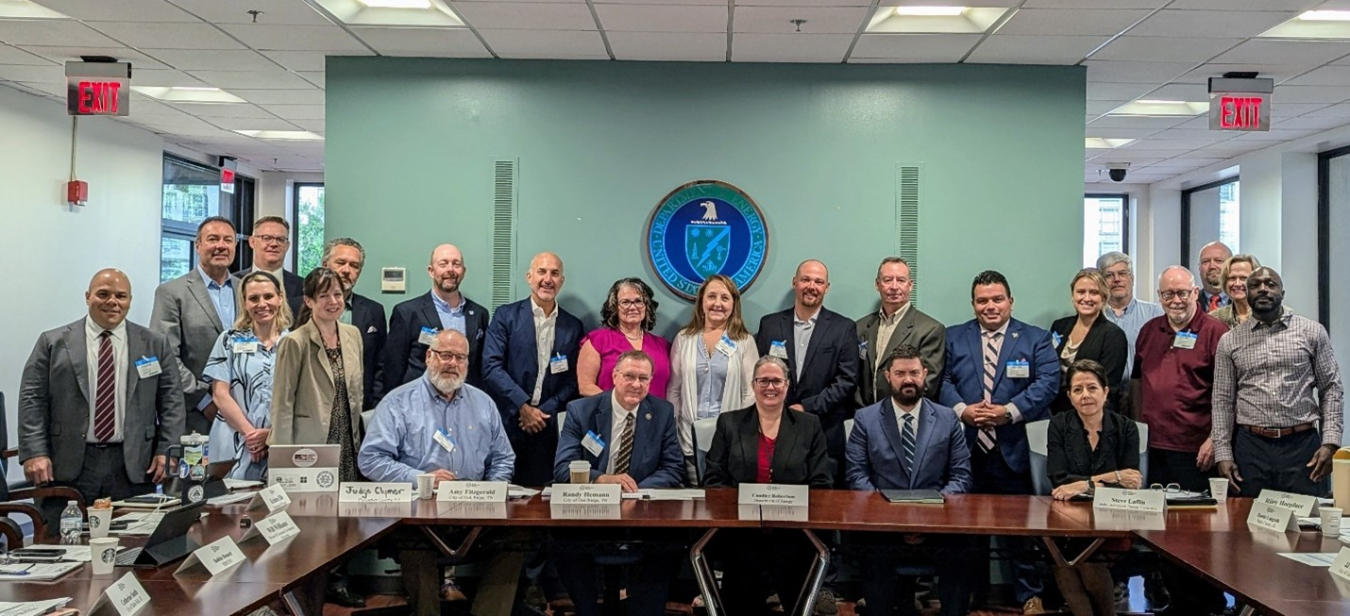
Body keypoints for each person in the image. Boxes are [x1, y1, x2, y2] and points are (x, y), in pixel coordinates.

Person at [360, 329, 520, 615]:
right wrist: (422, 480)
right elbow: (371, 458)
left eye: (460, 357)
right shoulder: (398, 402)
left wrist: (491, 491)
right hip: (420, 511)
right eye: (445, 355)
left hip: (476, 510)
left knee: (519, 541)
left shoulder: (483, 403)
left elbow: (504, 457)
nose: (452, 363)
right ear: (428, 356)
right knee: (414, 544)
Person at [19, 269, 184, 533]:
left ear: (130, 300)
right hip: (69, 463)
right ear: (88, 297)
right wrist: (35, 452)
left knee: (131, 544)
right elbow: (32, 400)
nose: (112, 302)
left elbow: (172, 401)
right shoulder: (53, 342)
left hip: (132, 464)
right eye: (103, 294)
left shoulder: (154, 344)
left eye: (121, 296)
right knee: (61, 542)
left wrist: (168, 450)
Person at [938, 270, 1058, 614]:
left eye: (996, 299)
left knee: (1022, 530)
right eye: (982, 300)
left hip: (1016, 449)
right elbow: (941, 380)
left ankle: (1029, 597)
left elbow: (1049, 382)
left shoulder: (1035, 339)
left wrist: (1009, 411)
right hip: (967, 450)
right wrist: (962, 410)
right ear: (973, 303)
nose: (990, 306)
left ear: (1010, 301)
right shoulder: (953, 337)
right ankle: (968, 595)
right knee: (964, 532)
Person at [552, 351, 684, 616]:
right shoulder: (581, 410)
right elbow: (563, 468)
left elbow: (673, 468)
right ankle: (587, 610)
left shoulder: (662, 412)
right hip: (590, 511)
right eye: (630, 376)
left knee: (673, 539)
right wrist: (603, 479)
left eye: (643, 378)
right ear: (614, 376)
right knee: (562, 538)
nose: (636, 384)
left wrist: (637, 490)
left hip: (641, 511)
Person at [844, 345, 973, 616]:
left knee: (962, 550)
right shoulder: (866, 419)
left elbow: (961, 476)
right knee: (872, 552)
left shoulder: (947, 418)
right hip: (884, 524)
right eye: (900, 373)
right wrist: (895, 518)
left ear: (925, 374)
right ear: (888, 376)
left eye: (914, 372)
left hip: (938, 524)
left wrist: (928, 518)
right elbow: (856, 476)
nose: (908, 379)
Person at [1131, 266, 1227, 616]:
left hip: (1196, 449)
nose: (1176, 300)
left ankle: (1206, 604)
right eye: (1168, 294)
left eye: (1182, 293)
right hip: (1155, 447)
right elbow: (1137, 383)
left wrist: (1215, 437)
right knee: (1164, 532)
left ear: (1195, 293)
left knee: (1198, 534)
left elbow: (1226, 392)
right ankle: (1179, 601)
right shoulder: (1148, 331)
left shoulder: (1215, 331)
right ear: (1159, 297)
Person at [704, 356, 832, 616]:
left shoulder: (809, 426)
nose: (770, 387)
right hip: (742, 530)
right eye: (763, 380)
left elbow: (821, 483)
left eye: (776, 381)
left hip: (794, 531)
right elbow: (714, 480)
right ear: (753, 385)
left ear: (787, 385)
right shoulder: (729, 423)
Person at [1213, 267, 1344, 497]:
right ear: (1246, 293)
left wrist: (1330, 442)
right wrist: (1223, 453)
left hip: (1302, 447)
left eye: (1270, 284)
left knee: (1307, 526)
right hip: (1251, 448)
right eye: (1255, 285)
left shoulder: (1312, 331)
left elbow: (1331, 388)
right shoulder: (1229, 341)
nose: (1263, 289)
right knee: (1245, 525)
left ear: (1282, 292)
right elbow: (1222, 400)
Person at [1047, 360, 1142, 616]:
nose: (1085, 395)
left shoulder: (1126, 428)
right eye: (1077, 390)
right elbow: (1058, 480)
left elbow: (1132, 482)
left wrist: (1083, 484)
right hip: (1068, 517)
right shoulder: (1058, 425)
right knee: (1064, 559)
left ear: (1106, 391)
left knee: (1083, 560)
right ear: (1068, 396)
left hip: (1113, 517)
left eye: (1092, 387)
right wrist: (1112, 476)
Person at [481, 252, 584, 486]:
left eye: (554, 273)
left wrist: (543, 412)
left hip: (548, 426)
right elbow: (491, 367)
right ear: (529, 277)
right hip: (509, 421)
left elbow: (572, 381)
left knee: (543, 499)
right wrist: (523, 407)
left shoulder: (573, 325)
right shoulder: (505, 316)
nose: (548, 279)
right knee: (504, 495)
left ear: (561, 281)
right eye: (542, 272)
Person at [755, 259, 859, 484]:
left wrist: (806, 407)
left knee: (822, 505)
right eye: (805, 279)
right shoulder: (770, 325)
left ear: (826, 287)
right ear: (795, 282)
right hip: (775, 428)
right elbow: (760, 375)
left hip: (824, 431)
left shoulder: (844, 328)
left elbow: (847, 381)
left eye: (818, 281)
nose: (811, 286)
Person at [269, 267, 365, 479]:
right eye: (324, 296)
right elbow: (282, 403)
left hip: (348, 442)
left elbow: (357, 393)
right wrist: (283, 459)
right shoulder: (294, 341)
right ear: (309, 300)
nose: (333, 301)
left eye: (338, 294)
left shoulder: (353, 335)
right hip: (309, 443)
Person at [152, 215, 238, 437]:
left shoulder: (248, 291)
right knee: (198, 472)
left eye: (227, 240)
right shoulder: (172, 293)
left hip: (247, 414)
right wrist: (205, 401)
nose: (221, 245)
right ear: (198, 245)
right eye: (213, 239)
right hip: (197, 416)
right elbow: (166, 356)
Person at [667, 274, 758, 483]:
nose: (717, 303)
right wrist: (673, 434)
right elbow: (674, 389)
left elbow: (750, 393)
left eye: (725, 298)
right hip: (688, 441)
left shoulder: (744, 342)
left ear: (733, 304)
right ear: (701, 303)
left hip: (729, 443)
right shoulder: (684, 339)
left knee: (723, 505)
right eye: (711, 297)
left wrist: (736, 431)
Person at [202, 271, 291, 480]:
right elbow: (220, 394)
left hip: (278, 442)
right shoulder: (229, 340)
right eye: (253, 298)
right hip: (233, 439)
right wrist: (251, 435)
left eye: (268, 296)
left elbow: (300, 400)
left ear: (280, 298)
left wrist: (269, 436)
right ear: (244, 303)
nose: (262, 304)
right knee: (226, 508)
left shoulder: (294, 343)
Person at [385, 244, 488, 395]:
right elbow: (393, 369)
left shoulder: (479, 314)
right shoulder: (407, 312)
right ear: (431, 271)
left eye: (456, 264)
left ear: (463, 272)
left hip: (464, 403)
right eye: (443, 264)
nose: (450, 269)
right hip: (418, 403)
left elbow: (479, 365)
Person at [856, 257, 945, 407]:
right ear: (877, 285)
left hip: (906, 417)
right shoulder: (860, 327)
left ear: (910, 285)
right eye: (888, 280)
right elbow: (853, 377)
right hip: (864, 418)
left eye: (901, 280)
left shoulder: (930, 330)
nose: (894, 286)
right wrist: (864, 413)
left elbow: (927, 385)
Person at [1049, 269, 1128, 415]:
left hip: (1093, 415)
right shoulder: (1059, 326)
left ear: (1104, 298)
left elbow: (1109, 386)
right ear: (1073, 296)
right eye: (1081, 292)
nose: (1086, 298)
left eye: (1094, 292)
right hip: (1057, 412)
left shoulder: (1113, 335)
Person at [577, 278, 671, 399]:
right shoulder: (597, 341)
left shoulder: (663, 346)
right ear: (614, 307)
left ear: (646, 306)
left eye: (638, 301)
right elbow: (586, 387)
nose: (633, 307)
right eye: (625, 302)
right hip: (612, 415)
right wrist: (620, 405)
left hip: (655, 416)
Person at [323, 238, 387, 409]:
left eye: (354, 266)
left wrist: (376, 407)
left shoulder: (374, 311)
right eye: (341, 263)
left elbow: (380, 366)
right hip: (312, 409)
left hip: (357, 408)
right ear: (325, 265)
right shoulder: (298, 306)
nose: (346, 270)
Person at [1096, 252, 1163, 408]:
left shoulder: (1156, 314)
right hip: (1105, 398)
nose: (1117, 279)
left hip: (1144, 395)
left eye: (1122, 273)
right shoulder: (1094, 317)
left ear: (1131, 278)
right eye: (1109, 275)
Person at [235, 215, 304, 317]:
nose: (274, 244)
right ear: (252, 242)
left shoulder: (303, 286)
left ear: (287, 246)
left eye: (280, 239)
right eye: (267, 238)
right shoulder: (234, 282)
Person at [1208, 254, 1260, 329]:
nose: (1237, 283)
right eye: (1232, 278)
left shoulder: (1272, 315)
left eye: (1243, 278)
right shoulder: (1214, 319)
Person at [1196, 241, 1233, 312]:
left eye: (1219, 261)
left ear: (1231, 266)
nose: (1212, 266)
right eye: (1205, 261)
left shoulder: (1244, 302)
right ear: (1199, 268)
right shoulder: (1190, 302)